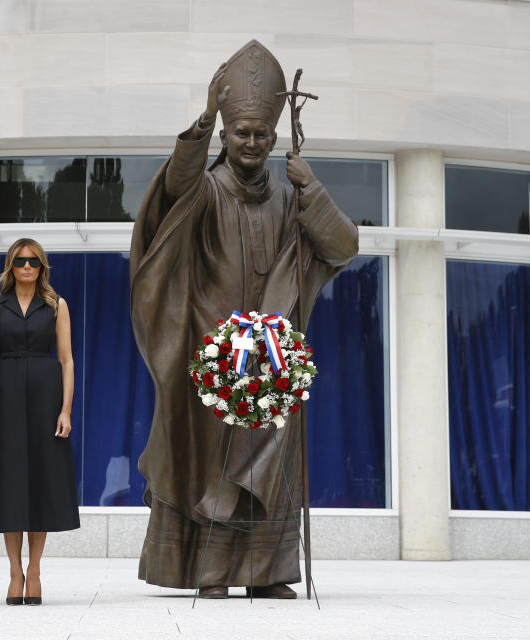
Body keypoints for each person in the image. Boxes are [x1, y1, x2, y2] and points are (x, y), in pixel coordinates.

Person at [129, 40, 358, 599]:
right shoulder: (205, 191)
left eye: (260, 134)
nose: (251, 142)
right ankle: (210, 575)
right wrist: (205, 120)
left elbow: (344, 247)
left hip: (273, 350)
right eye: (241, 133)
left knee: (272, 473)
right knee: (215, 465)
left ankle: (267, 573)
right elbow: (172, 191)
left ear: (275, 138)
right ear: (227, 137)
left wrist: (314, 189)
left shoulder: (290, 198)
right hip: (214, 350)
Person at [0, 238, 80, 606]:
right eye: (19, 261)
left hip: (46, 400)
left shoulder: (56, 305)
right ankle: (15, 571)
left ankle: (36, 570)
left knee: (41, 485)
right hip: (4, 401)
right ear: (10, 267)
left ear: (42, 267)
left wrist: (65, 410)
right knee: (11, 487)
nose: (26, 267)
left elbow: (67, 360)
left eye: (33, 261)